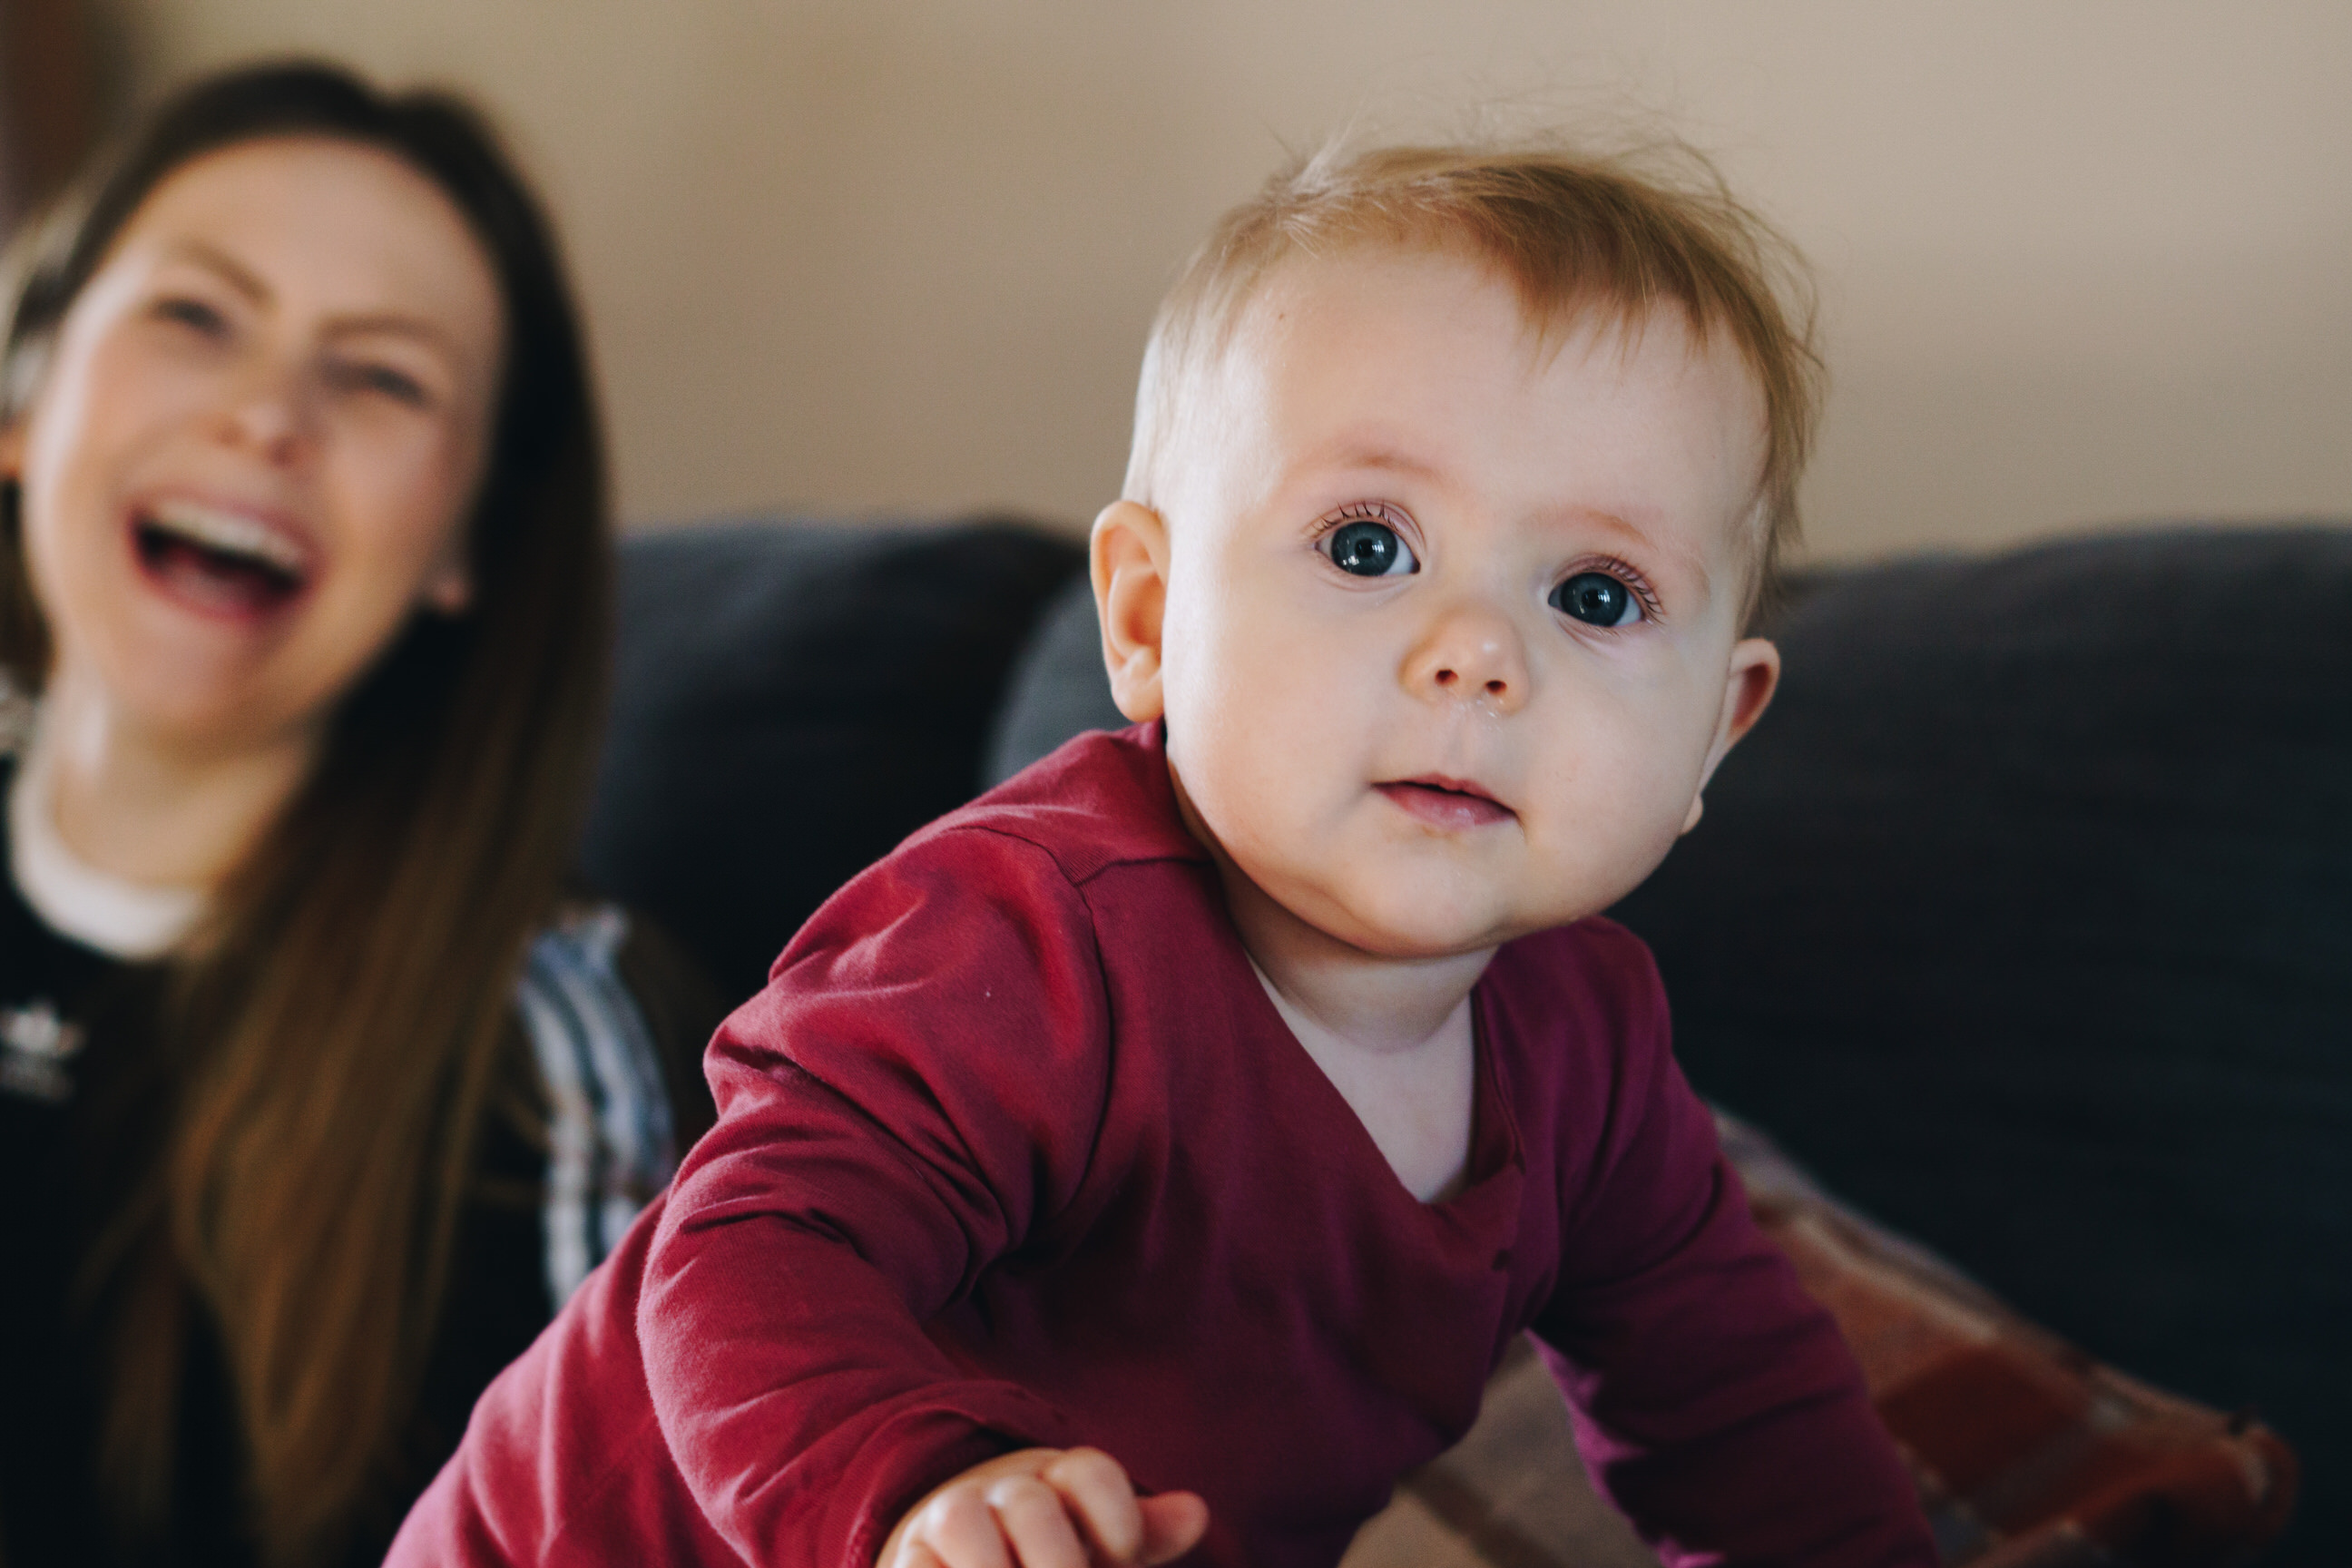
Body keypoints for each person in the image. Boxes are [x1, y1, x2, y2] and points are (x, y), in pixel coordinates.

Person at [391, 140, 1938, 1568]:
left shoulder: (1590, 1057)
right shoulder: (1034, 936)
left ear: (1712, 741)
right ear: (1144, 618)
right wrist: (922, 1487)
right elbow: (757, 1245)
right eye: (1368, 546)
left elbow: (1746, 1423)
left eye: (1597, 597)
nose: (1476, 653)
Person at [0, 63, 719, 1568]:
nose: (268, 413)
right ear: (28, 391)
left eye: (381, 377)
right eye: (196, 316)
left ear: (468, 542)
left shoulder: (549, 1050)